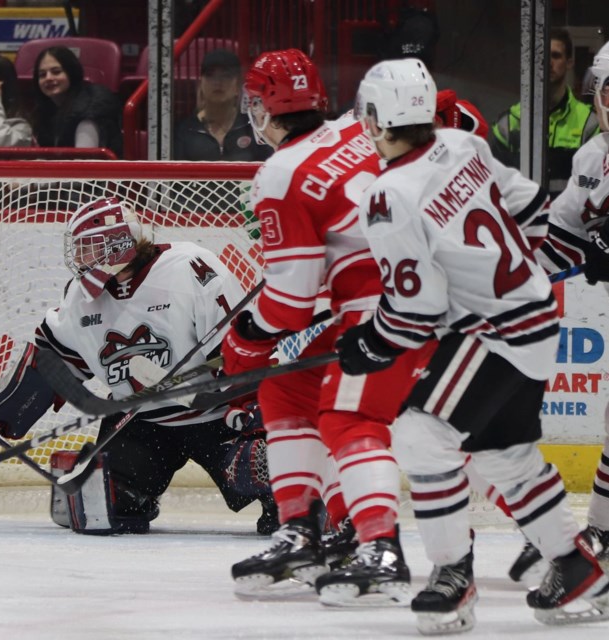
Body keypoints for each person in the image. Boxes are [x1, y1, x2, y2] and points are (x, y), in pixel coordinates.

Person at [342, 57, 609, 632]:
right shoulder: (460, 144)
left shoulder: (388, 194)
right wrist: (506, 272)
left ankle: (451, 575)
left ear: (375, 116)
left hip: (495, 330)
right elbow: (531, 206)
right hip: (536, 316)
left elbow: (415, 309)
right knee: (503, 454)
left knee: (421, 435)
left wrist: (372, 342)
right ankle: (572, 566)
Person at [220, 48, 431, 606]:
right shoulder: (354, 132)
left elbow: (290, 301)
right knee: (288, 384)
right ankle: (302, 530)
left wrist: (245, 337)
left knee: (348, 418)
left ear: (266, 106)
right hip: (427, 294)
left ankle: (379, 544)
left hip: (389, 310)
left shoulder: (280, 172)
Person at [0, 196, 276, 535]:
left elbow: (239, 353)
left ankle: (302, 504)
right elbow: (54, 363)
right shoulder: (80, 298)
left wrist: (253, 417)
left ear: (116, 245)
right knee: (99, 505)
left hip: (216, 418)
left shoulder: (190, 268)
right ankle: (136, 496)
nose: (79, 257)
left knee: (261, 469)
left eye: (87, 247)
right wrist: (12, 404)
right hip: (142, 422)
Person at [533, 36, 609, 589]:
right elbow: (563, 238)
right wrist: (506, 278)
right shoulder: (595, 152)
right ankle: (607, 529)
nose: (595, 95)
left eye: (600, 84)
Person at [489, 27, 599, 196]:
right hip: (523, 220)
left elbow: (596, 186)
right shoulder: (507, 124)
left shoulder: (589, 123)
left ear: (569, 62)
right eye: (541, 56)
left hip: (569, 221)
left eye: (555, 55)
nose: (548, 62)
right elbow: (494, 187)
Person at [173, 49, 271, 162]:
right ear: (201, 83)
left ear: (238, 84)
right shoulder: (184, 131)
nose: (217, 82)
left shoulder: (254, 128)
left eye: (226, 76)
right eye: (210, 75)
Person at [32, 46, 124, 157]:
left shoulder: (89, 108)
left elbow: (84, 164)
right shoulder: (45, 111)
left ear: (71, 73)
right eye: (42, 75)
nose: (48, 78)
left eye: (56, 72)